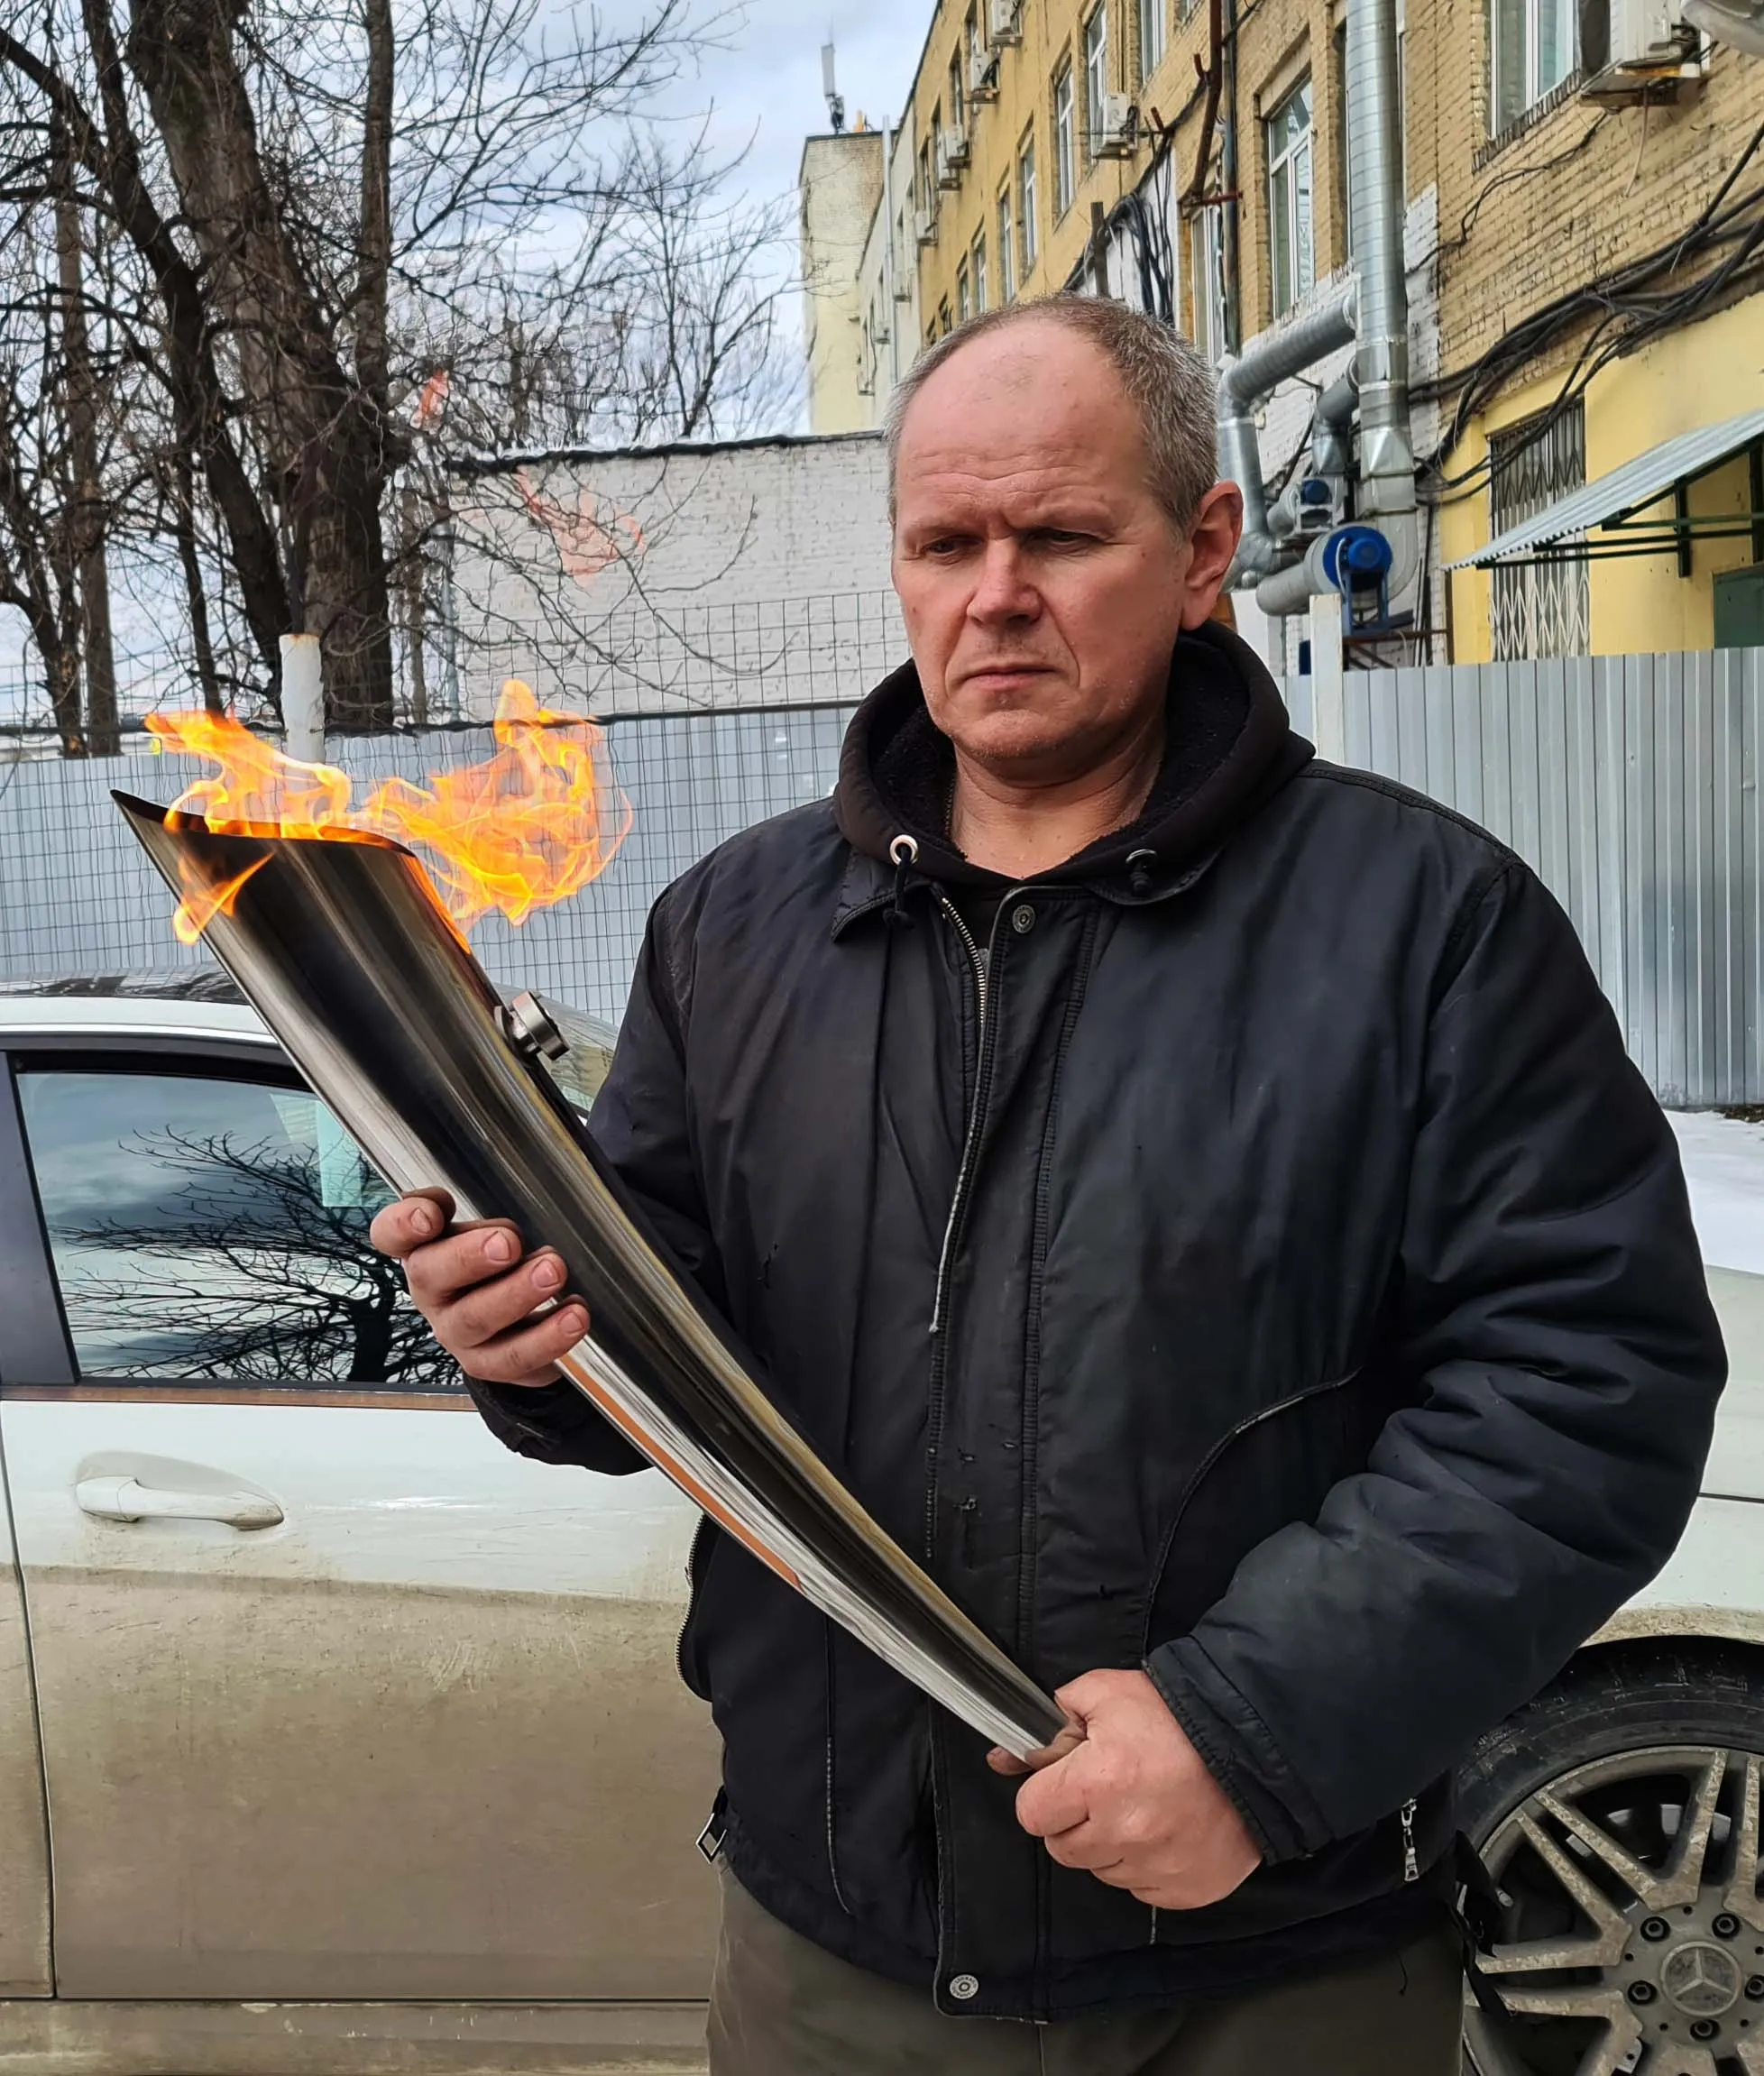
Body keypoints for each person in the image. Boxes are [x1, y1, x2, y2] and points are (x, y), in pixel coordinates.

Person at [372, 296, 1724, 2074]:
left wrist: (1251, 1727)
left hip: (1270, 1973)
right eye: (946, 543)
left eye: (1062, 536)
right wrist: (530, 1346)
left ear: (1204, 551)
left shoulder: (1426, 925)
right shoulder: (733, 933)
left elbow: (1586, 1386)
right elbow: (671, 1359)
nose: (994, 593)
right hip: (832, 1969)